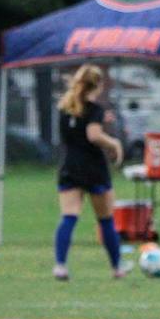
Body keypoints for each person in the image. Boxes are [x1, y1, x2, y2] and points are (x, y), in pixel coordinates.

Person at [52, 64, 126, 280]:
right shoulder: (95, 109)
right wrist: (114, 144)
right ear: (99, 85)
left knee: (69, 217)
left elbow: (74, 132)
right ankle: (117, 267)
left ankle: (60, 265)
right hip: (93, 168)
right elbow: (93, 135)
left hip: (69, 166)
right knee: (105, 219)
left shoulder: (65, 106)